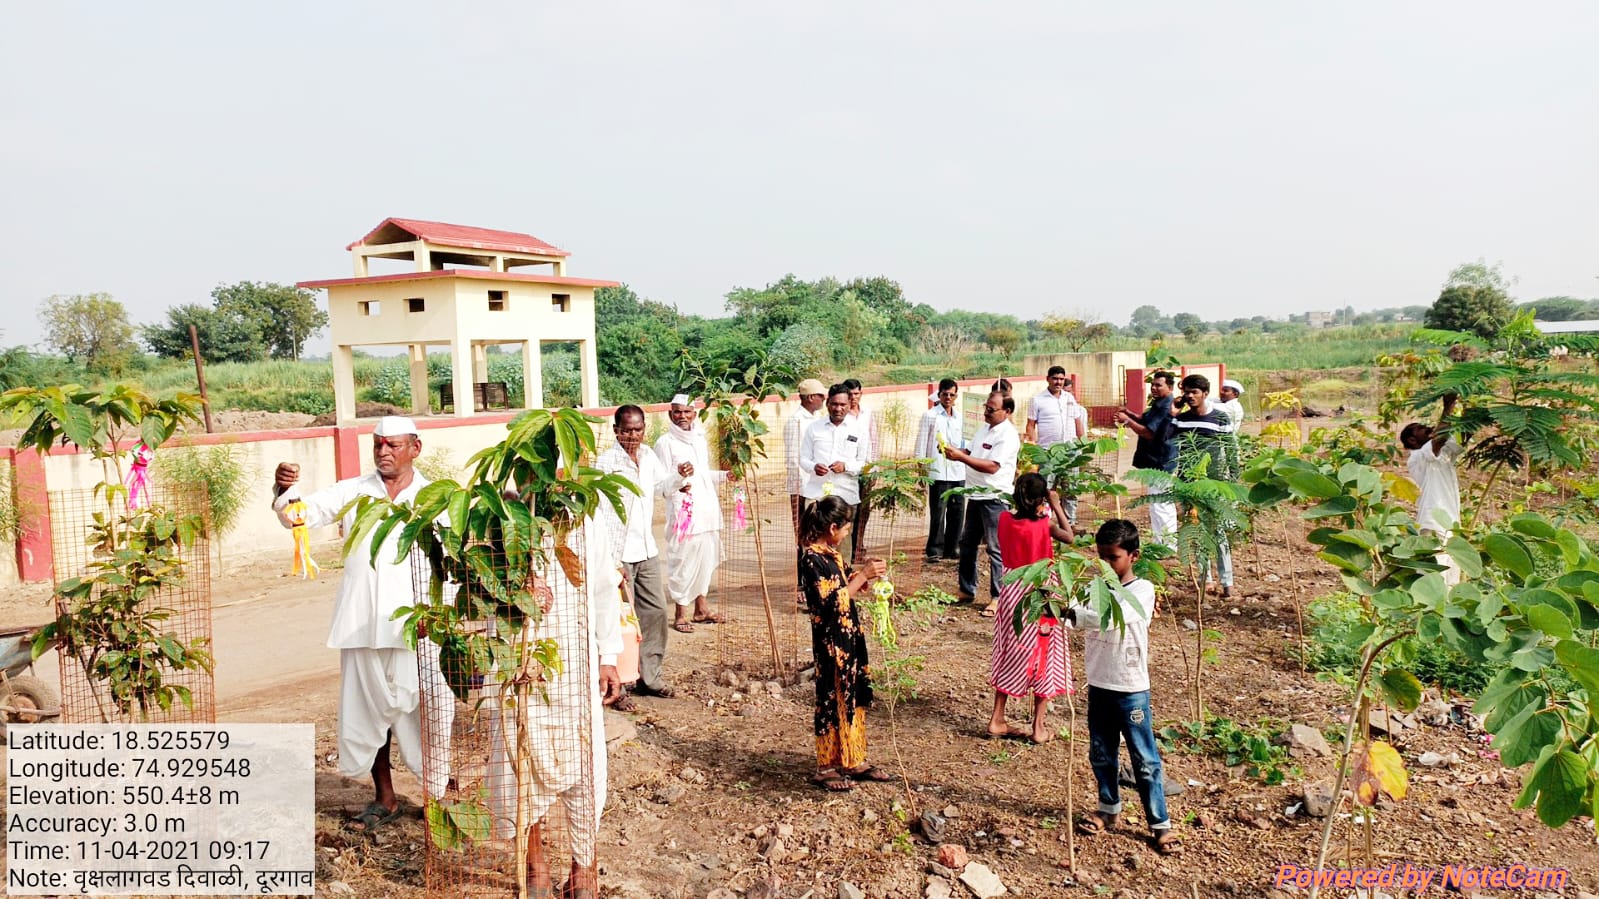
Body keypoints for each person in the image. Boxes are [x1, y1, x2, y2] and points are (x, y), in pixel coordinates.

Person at [271, 415, 453, 833]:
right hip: (362, 623)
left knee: (430, 712)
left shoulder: (436, 497)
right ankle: (384, 796)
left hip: (419, 627)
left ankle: (436, 798)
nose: (384, 452)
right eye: (378, 446)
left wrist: (443, 615)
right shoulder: (354, 491)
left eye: (393, 445)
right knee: (370, 713)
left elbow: (453, 559)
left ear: (415, 448)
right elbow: (300, 515)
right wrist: (285, 490)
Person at [484, 518, 622, 898]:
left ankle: (584, 869)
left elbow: (604, 588)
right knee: (519, 762)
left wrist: (607, 656)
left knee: (584, 762)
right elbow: (479, 583)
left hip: (574, 662)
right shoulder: (503, 515)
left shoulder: (583, 519)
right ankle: (535, 867)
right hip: (519, 661)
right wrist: (512, 590)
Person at [1069, 519, 1181, 856]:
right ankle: (1108, 808)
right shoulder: (1091, 589)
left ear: (1133, 556)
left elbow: (1108, 615)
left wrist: (1072, 611)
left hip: (1130, 687)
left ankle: (1160, 824)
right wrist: (1058, 603)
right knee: (1101, 753)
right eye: (1100, 557)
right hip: (1099, 683)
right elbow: (1069, 616)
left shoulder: (1142, 590)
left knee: (1144, 758)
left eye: (1113, 558)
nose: (1106, 564)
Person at [799, 496, 892, 791]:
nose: (847, 533)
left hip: (849, 637)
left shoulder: (832, 554)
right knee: (830, 698)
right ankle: (825, 766)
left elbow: (843, 585)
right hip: (830, 643)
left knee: (852, 696)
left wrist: (863, 577)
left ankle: (854, 758)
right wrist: (861, 576)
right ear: (833, 527)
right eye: (847, 528)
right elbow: (829, 603)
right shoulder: (811, 559)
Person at [596, 405, 678, 700]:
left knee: (655, 613)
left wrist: (679, 477)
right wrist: (610, 561)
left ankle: (650, 678)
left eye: (639, 429)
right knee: (620, 621)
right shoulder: (606, 464)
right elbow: (601, 515)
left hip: (647, 550)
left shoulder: (648, 456)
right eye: (627, 430)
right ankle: (618, 685)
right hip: (619, 555)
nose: (633, 436)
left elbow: (661, 486)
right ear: (616, 430)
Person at [988, 473, 1073, 743]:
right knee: (1043, 652)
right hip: (1042, 589)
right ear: (1041, 498)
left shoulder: (1003, 520)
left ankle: (997, 718)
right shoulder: (1044, 525)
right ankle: (1038, 727)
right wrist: (1056, 504)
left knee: (1009, 650)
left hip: (1012, 588)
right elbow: (1069, 537)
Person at [655, 394, 731, 633]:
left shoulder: (699, 438)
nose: (682, 417)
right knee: (683, 564)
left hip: (706, 512)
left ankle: (701, 610)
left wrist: (725, 476)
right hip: (684, 516)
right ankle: (680, 614)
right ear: (670, 415)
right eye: (677, 412)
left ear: (694, 414)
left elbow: (702, 474)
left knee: (706, 562)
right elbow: (659, 485)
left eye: (687, 412)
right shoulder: (664, 443)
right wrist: (678, 480)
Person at [945, 391, 1021, 611]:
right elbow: (970, 451)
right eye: (986, 407)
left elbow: (992, 466)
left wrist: (962, 458)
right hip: (976, 494)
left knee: (996, 548)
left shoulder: (1007, 435)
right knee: (967, 544)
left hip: (995, 498)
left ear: (1007, 411)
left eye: (991, 409)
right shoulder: (984, 429)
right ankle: (966, 589)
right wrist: (953, 452)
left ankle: (999, 596)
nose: (986, 412)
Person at [1169, 374, 1236, 597]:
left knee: (1218, 531)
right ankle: (1205, 578)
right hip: (1189, 484)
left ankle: (1227, 581)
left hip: (1214, 483)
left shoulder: (1220, 418)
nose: (1189, 396)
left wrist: (1233, 480)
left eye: (1194, 392)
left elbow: (1231, 449)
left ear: (1205, 394)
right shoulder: (1182, 420)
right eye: (1186, 392)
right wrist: (1172, 412)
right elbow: (1165, 440)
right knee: (1196, 530)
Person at [799, 384, 872, 563]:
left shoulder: (859, 429)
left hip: (846, 495)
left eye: (842, 405)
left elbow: (866, 463)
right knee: (813, 542)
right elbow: (803, 458)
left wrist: (846, 466)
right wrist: (814, 466)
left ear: (849, 404)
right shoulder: (814, 428)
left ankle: (843, 584)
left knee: (843, 544)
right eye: (834, 404)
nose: (838, 408)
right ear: (827, 404)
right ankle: (813, 583)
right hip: (817, 494)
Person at [1116, 371, 1178, 541]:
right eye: (1153, 384)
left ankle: (1166, 544)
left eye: (1159, 385)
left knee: (1161, 505)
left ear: (1170, 387)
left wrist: (1128, 421)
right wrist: (1129, 413)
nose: (1154, 388)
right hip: (1155, 461)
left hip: (1161, 462)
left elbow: (1149, 433)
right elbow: (1146, 419)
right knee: (1157, 505)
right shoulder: (1159, 404)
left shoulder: (1167, 407)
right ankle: (1161, 541)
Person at [1026, 365, 1090, 524]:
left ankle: (1069, 523)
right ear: (1047, 379)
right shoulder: (1037, 400)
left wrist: (1082, 445)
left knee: (1071, 489)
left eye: (1061, 379)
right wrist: (1034, 449)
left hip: (1071, 452)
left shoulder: (1069, 398)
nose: (1058, 382)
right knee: (1046, 489)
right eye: (1055, 378)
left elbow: (1077, 422)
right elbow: (1030, 425)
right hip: (1048, 452)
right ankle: (1044, 523)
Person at [914, 378, 966, 563]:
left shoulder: (961, 417)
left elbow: (965, 442)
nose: (948, 398)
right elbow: (921, 443)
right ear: (939, 395)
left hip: (958, 470)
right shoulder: (930, 415)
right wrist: (921, 468)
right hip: (937, 470)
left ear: (956, 396)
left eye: (952, 395)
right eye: (945, 394)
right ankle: (935, 548)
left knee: (958, 510)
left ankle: (953, 547)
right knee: (938, 511)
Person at [1401, 392, 1461, 536]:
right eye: (1421, 429)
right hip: (1433, 521)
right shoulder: (1418, 458)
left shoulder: (1439, 453)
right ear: (1412, 440)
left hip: (1448, 519)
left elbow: (1453, 441)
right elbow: (1440, 439)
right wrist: (1448, 406)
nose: (1428, 428)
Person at [785, 379, 829, 537]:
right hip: (802, 485)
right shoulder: (796, 421)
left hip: (817, 482)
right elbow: (793, 458)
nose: (824, 399)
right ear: (810, 397)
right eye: (820, 395)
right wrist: (801, 488)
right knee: (803, 528)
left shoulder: (817, 418)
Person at [842, 378, 878, 562]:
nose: (854, 397)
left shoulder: (867, 414)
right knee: (850, 510)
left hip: (867, 469)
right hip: (848, 470)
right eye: (850, 394)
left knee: (864, 510)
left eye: (857, 394)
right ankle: (849, 548)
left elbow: (874, 440)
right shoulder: (842, 415)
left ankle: (859, 546)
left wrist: (874, 467)